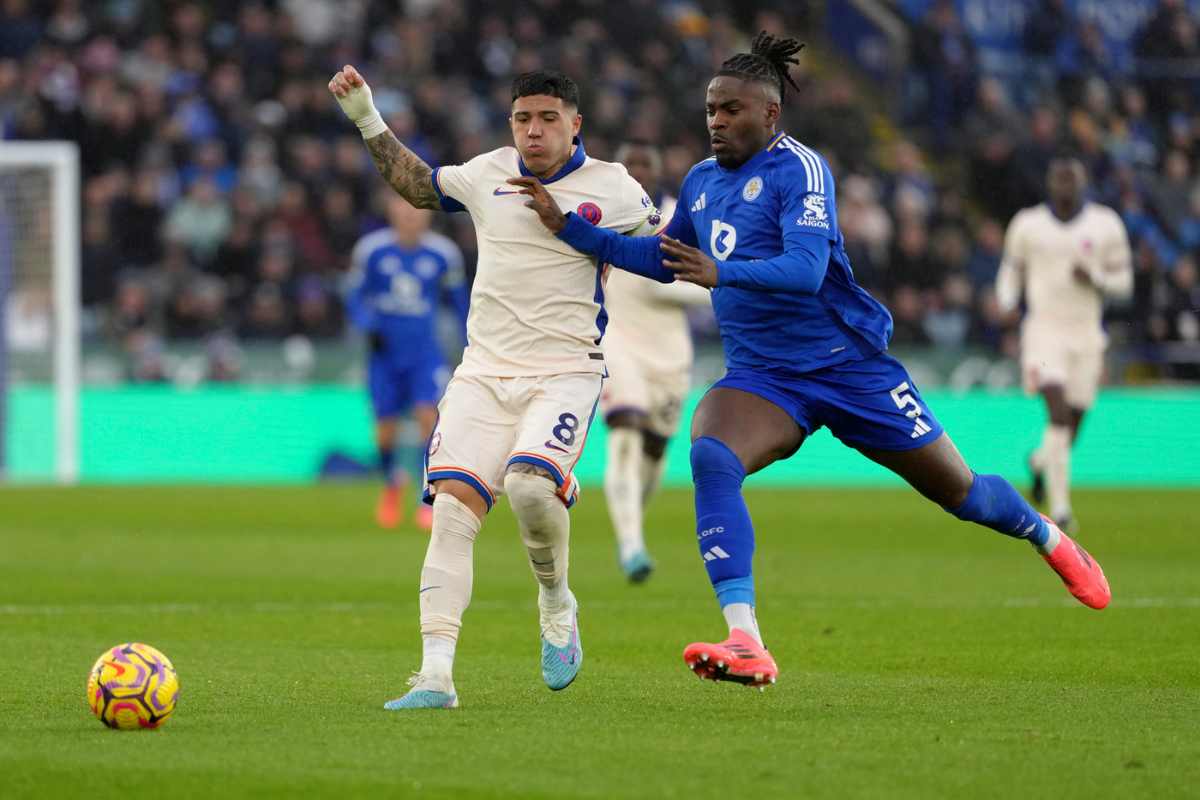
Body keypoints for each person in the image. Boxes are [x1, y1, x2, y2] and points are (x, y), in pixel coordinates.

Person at [510, 32, 1112, 692]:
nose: (716, 121)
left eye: (731, 110)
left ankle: (1044, 532)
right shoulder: (703, 182)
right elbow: (664, 259)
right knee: (711, 453)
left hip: (848, 367)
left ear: (769, 115)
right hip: (764, 380)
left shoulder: (800, 169)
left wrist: (723, 272)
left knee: (963, 495)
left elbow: (804, 270)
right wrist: (574, 232)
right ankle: (745, 638)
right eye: (711, 109)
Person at [330, 64, 660, 708]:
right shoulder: (489, 173)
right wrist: (367, 117)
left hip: (566, 370)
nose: (533, 132)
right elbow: (419, 187)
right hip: (482, 372)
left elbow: (661, 259)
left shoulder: (613, 189)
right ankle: (435, 677)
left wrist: (576, 230)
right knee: (452, 510)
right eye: (522, 119)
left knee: (531, 488)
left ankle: (556, 601)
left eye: (547, 119)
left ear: (575, 124)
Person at [996, 157, 1133, 532]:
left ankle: (1040, 462)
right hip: (1042, 330)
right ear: (1050, 184)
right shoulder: (1028, 225)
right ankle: (1060, 510)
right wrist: (1007, 301)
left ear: (1083, 183)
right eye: (1059, 180)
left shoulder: (1105, 224)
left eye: (1071, 180)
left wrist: (1096, 276)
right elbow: (1011, 269)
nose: (1065, 187)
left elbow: (1125, 282)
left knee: (1074, 419)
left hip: (1087, 334)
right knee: (1056, 411)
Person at [602, 141, 711, 583]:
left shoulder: (679, 223)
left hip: (668, 355)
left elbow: (708, 289)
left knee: (653, 451)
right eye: (631, 166)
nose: (638, 173)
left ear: (659, 171)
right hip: (617, 344)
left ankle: (634, 525)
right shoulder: (600, 218)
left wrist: (659, 280)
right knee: (624, 438)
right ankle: (631, 545)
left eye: (646, 165)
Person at [344, 193, 469, 530]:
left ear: (427, 214)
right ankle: (391, 483)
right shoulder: (371, 251)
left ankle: (425, 496)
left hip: (424, 353)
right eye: (403, 207)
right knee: (385, 432)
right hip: (384, 356)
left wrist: (472, 344)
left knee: (428, 419)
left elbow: (460, 304)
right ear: (391, 210)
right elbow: (354, 295)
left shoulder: (443, 254)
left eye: (417, 209)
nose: (410, 215)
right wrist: (367, 325)